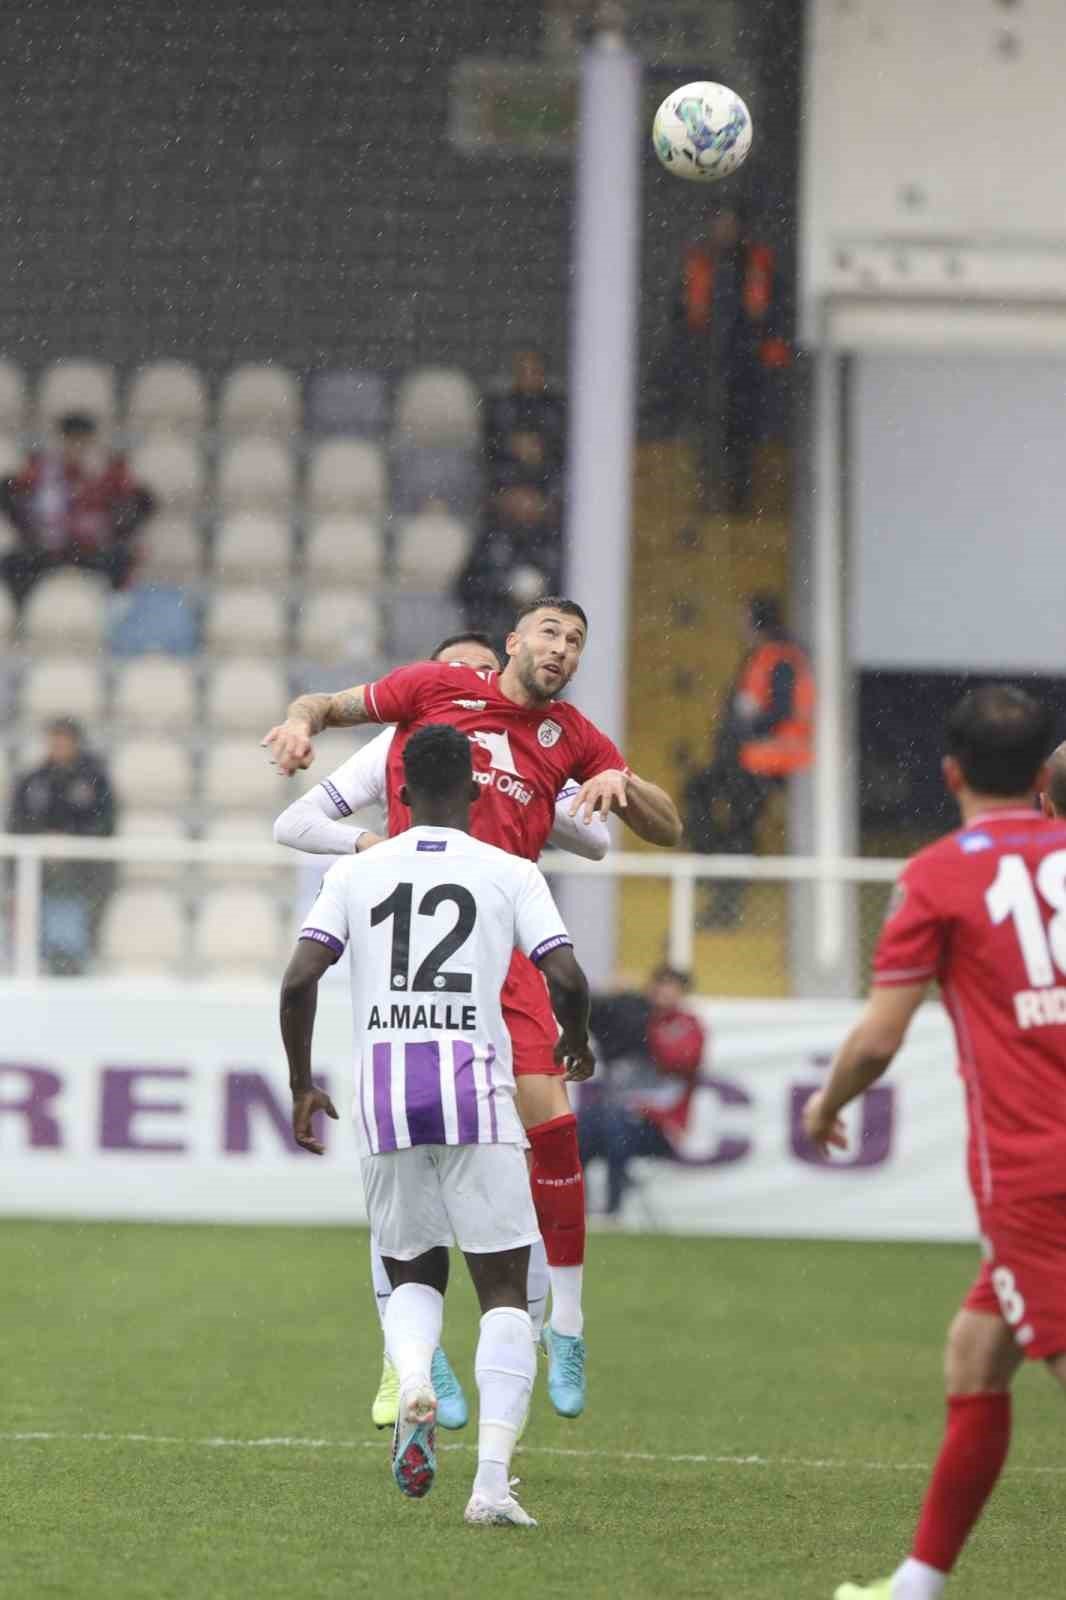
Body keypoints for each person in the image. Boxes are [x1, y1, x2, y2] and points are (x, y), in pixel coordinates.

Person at [262, 596, 682, 1418]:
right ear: (514, 642)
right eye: (550, 632)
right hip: (411, 956)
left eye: (575, 640)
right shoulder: (417, 711)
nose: (561, 649)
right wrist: (301, 727)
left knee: (547, 1128)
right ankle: (411, 1360)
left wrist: (621, 784)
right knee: (404, 1167)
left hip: (502, 955)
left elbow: (625, 832)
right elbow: (307, 776)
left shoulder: (565, 737)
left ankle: (563, 1326)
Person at [279, 723, 593, 1526]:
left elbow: (299, 979)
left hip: (385, 1097)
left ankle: (415, 1379)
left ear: (401, 793)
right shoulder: (510, 871)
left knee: (413, 1273)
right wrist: (577, 1038)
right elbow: (565, 973)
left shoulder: (356, 871)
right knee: (505, 1295)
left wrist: (302, 1084)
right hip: (475, 1095)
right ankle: (490, 1486)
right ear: (478, 792)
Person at [801, 685, 1066, 1600]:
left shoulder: (938, 877)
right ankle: (918, 1584)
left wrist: (826, 1105)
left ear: (950, 773)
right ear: (1039, 778)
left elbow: (879, 1040)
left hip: (1037, 1167)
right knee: (977, 1349)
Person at [644, 203, 785, 513]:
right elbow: (678, 314)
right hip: (704, 364)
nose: (725, 230)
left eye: (731, 224)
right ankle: (708, 497)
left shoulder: (757, 264)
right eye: (720, 223)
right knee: (705, 434)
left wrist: (766, 357)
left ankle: (738, 503)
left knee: (742, 435)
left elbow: (775, 314)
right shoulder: (697, 262)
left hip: (746, 366)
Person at [685, 593, 813, 926]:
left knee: (738, 829)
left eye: (745, 618)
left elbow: (780, 710)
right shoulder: (770, 655)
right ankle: (716, 871)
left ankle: (724, 894)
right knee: (707, 799)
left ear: (756, 621)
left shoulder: (779, 658)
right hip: (751, 760)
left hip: (765, 762)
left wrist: (745, 725)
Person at [579, 966, 707, 1216]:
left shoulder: (687, 1026)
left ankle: (613, 1210)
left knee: (616, 1126)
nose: (663, 992)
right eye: (659, 984)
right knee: (578, 1128)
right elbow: (588, 1014)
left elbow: (680, 1060)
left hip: (660, 1126)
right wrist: (614, 998)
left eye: (671, 986)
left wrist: (648, 1026)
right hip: (618, 1117)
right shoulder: (633, 1014)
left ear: (682, 993)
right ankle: (578, 1210)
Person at [0, 413, 154, 607]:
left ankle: (115, 611)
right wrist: (27, 528)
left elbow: (141, 501)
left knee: (123, 560)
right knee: (14, 562)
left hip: (94, 552)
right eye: (71, 441)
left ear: (92, 442)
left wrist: (117, 529)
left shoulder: (109, 472)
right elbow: (10, 492)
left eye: (82, 442)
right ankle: (22, 612)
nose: (76, 448)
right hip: (49, 550)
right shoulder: (42, 470)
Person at [8, 717, 117, 975]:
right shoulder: (33, 780)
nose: (58, 746)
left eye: (64, 740)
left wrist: (71, 841)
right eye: (54, 740)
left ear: (76, 743)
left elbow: (105, 823)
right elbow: (17, 822)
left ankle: (72, 959)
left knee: (71, 915)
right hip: (39, 871)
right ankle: (43, 958)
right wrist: (45, 840)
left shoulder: (94, 780)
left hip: (82, 872)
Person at [455, 482, 563, 649]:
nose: (523, 504)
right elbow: (467, 586)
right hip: (498, 632)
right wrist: (504, 587)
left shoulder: (553, 541)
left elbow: (566, 586)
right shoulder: (490, 539)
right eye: (516, 497)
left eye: (529, 497)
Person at [484, 348, 566, 495]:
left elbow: (563, 446)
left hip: (547, 478)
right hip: (508, 477)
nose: (529, 377)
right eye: (523, 371)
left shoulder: (557, 408)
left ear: (543, 375)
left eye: (534, 371)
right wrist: (511, 445)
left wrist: (543, 447)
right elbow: (490, 446)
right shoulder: (501, 407)